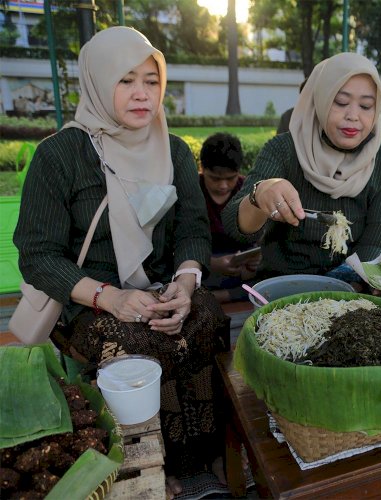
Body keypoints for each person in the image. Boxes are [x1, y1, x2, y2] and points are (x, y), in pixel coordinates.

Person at [13, 27, 229, 497]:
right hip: (88, 299)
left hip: (159, 287)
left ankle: (204, 454)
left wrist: (186, 284)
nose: (141, 94)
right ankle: (150, 464)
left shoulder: (172, 149)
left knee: (208, 319)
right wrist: (110, 297)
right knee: (133, 342)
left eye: (151, 81)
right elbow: (36, 255)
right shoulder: (60, 155)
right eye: (126, 79)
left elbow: (193, 228)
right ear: (97, 80)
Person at [222, 52, 381, 306]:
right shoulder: (284, 151)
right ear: (321, 100)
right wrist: (260, 195)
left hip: (348, 295)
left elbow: (376, 249)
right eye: (341, 102)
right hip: (279, 293)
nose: (353, 116)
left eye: (366, 106)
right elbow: (237, 228)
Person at [199, 132, 261, 302]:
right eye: (215, 179)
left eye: (230, 178)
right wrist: (212, 263)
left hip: (241, 268)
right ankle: (222, 296)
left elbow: (258, 237)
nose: (223, 185)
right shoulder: (193, 192)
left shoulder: (247, 190)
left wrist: (254, 260)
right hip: (203, 265)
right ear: (202, 169)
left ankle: (217, 297)